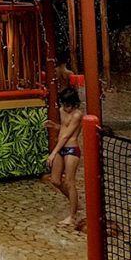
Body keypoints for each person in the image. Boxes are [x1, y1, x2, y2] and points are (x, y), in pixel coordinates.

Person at [45, 86, 84, 227]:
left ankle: (73, 216)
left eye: (67, 105)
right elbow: (63, 129)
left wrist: (54, 152)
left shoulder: (77, 115)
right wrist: (54, 126)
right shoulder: (62, 110)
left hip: (71, 149)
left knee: (69, 182)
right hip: (61, 148)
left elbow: (68, 135)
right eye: (63, 104)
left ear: (74, 104)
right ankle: (76, 203)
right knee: (55, 180)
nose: (64, 108)